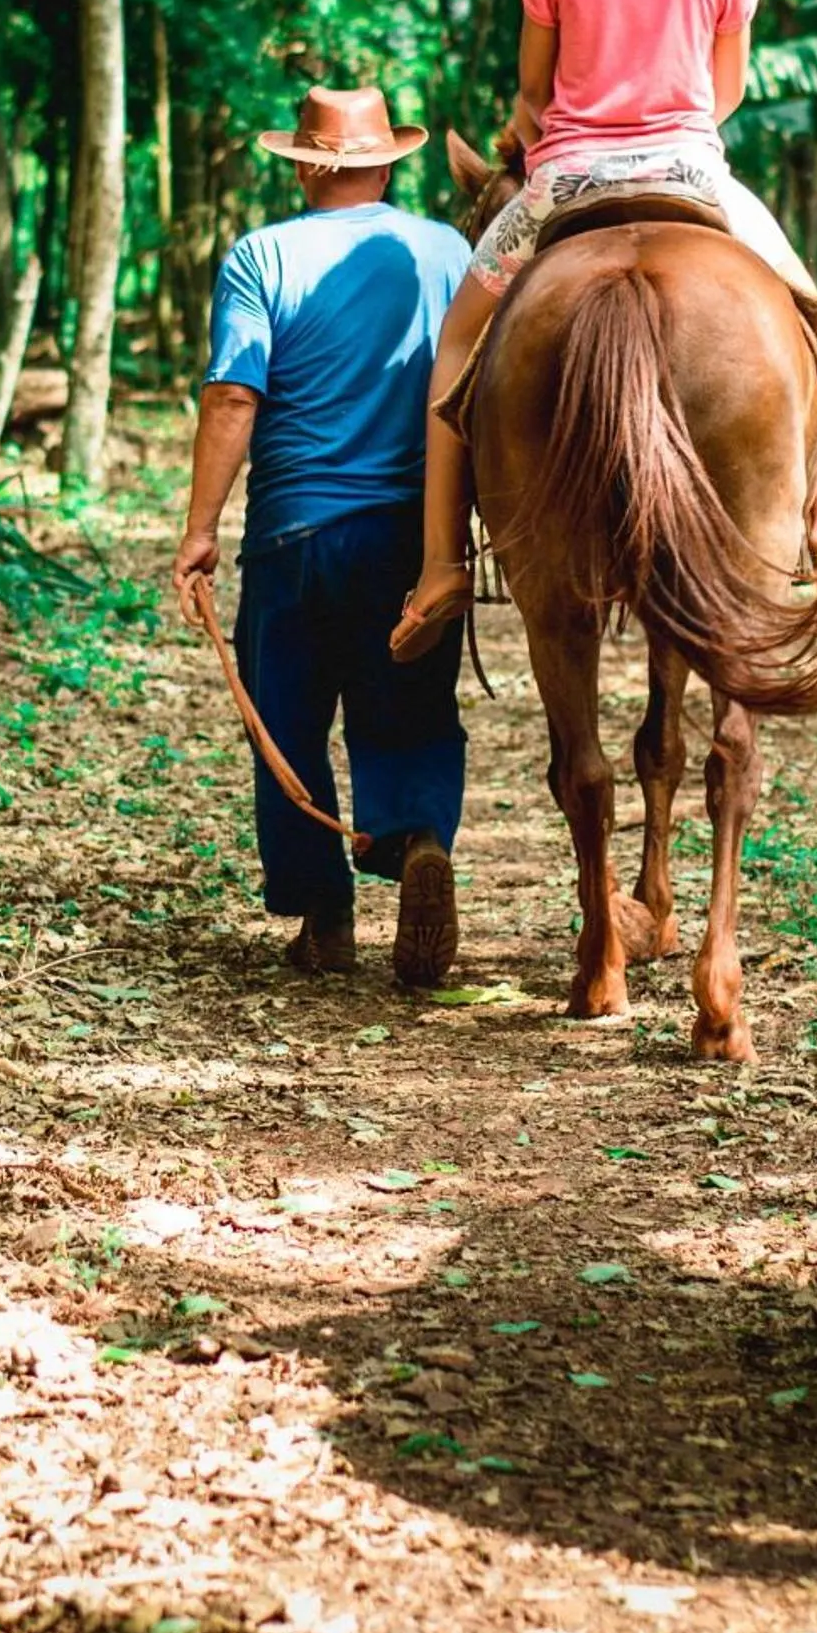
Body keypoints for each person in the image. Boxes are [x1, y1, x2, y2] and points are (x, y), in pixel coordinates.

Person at [390, 0, 817, 660]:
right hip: (694, 172)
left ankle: (442, 564)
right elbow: (727, 92)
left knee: (455, 350)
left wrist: (549, 126)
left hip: (565, 184)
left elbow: (534, 97)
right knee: (810, 320)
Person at [172, 85, 473, 985]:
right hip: (415, 534)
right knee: (411, 709)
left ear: (305, 162)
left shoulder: (260, 255)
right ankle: (417, 839)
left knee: (291, 718)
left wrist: (198, 530)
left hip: (293, 533)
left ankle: (325, 915)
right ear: (388, 161)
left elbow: (233, 394)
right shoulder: (448, 249)